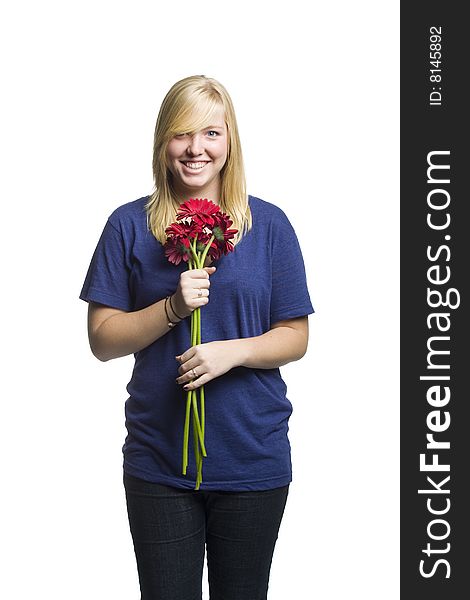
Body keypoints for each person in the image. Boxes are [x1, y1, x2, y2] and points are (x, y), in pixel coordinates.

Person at [79, 75, 314, 600]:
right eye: (182, 134)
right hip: (159, 461)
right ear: (164, 142)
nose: (195, 149)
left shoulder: (269, 225)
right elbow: (102, 339)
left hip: (252, 457)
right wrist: (171, 307)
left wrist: (235, 352)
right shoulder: (128, 225)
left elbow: (296, 336)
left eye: (210, 132)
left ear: (230, 141)